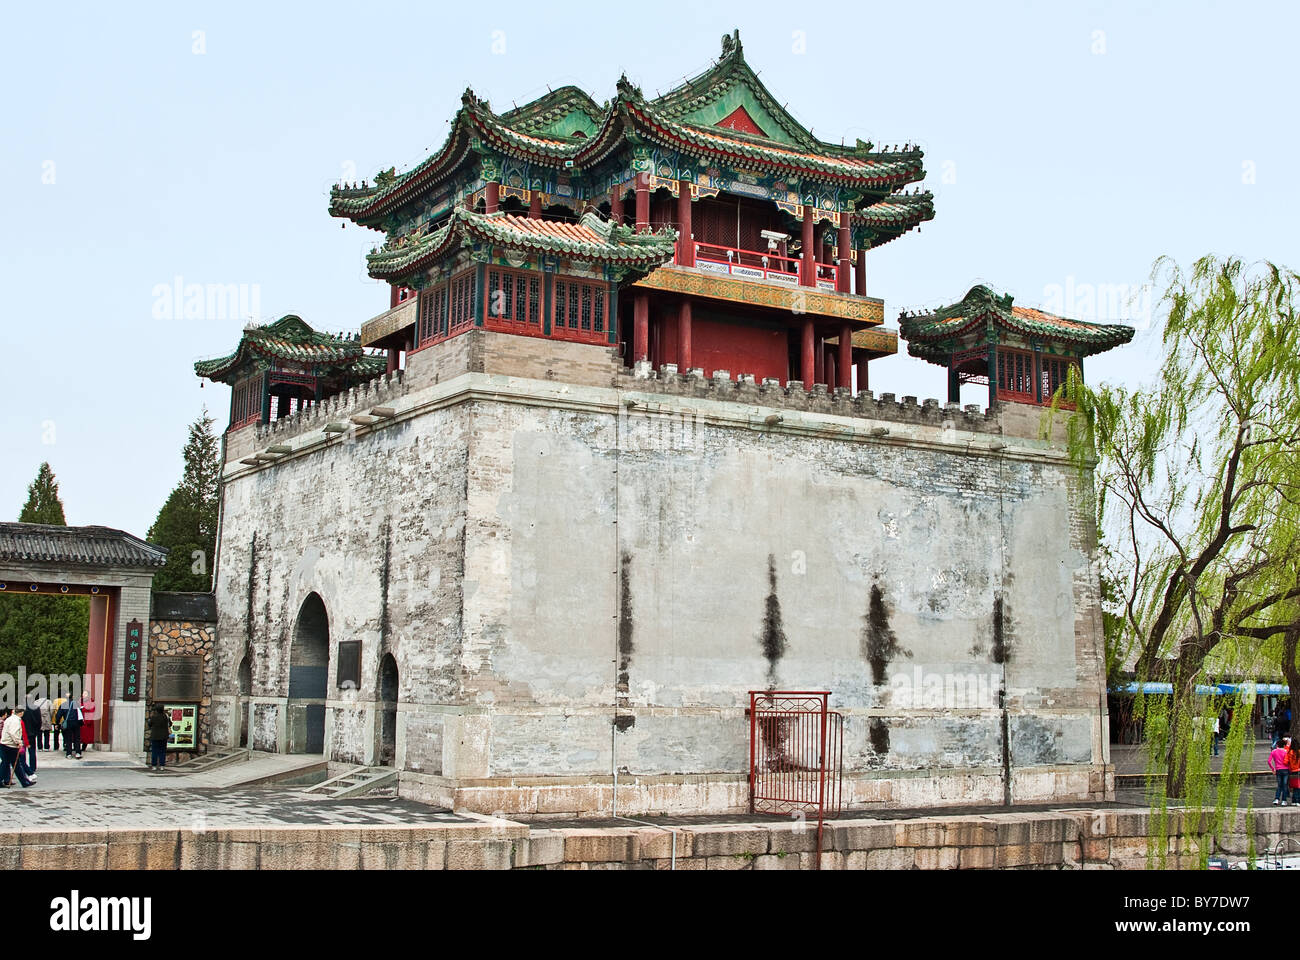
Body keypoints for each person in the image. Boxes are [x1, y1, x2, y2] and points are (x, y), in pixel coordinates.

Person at [1, 706, 35, 788]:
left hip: (6, 743)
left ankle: (25, 782)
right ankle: (24, 782)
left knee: (10, 764)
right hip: (10, 745)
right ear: (21, 713)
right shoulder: (16, 721)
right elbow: (13, 733)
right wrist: (19, 742)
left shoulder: (10, 719)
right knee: (12, 764)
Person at [146, 705, 171, 770]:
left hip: (155, 736)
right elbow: (170, 724)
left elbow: (149, 724)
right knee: (162, 751)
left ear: (156, 710)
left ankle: (154, 765)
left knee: (154, 751)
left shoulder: (154, 717)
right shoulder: (166, 716)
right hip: (164, 736)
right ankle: (162, 766)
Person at [1270, 738, 1291, 805]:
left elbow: (1269, 761)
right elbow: (1288, 761)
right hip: (1286, 769)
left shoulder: (1274, 751)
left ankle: (1276, 799)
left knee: (1279, 785)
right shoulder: (1286, 752)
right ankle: (1284, 800)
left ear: (1277, 745)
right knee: (1285, 785)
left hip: (1278, 769)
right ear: (1284, 745)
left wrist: (1273, 769)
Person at [22, 698, 41, 773]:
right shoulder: (36, 708)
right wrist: (37, 730)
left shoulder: (21, 708)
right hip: (32, 732)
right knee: (32, 751)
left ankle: (23, 766)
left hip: (23, 732)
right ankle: (32, 767)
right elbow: (39, 721)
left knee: (22, 751)